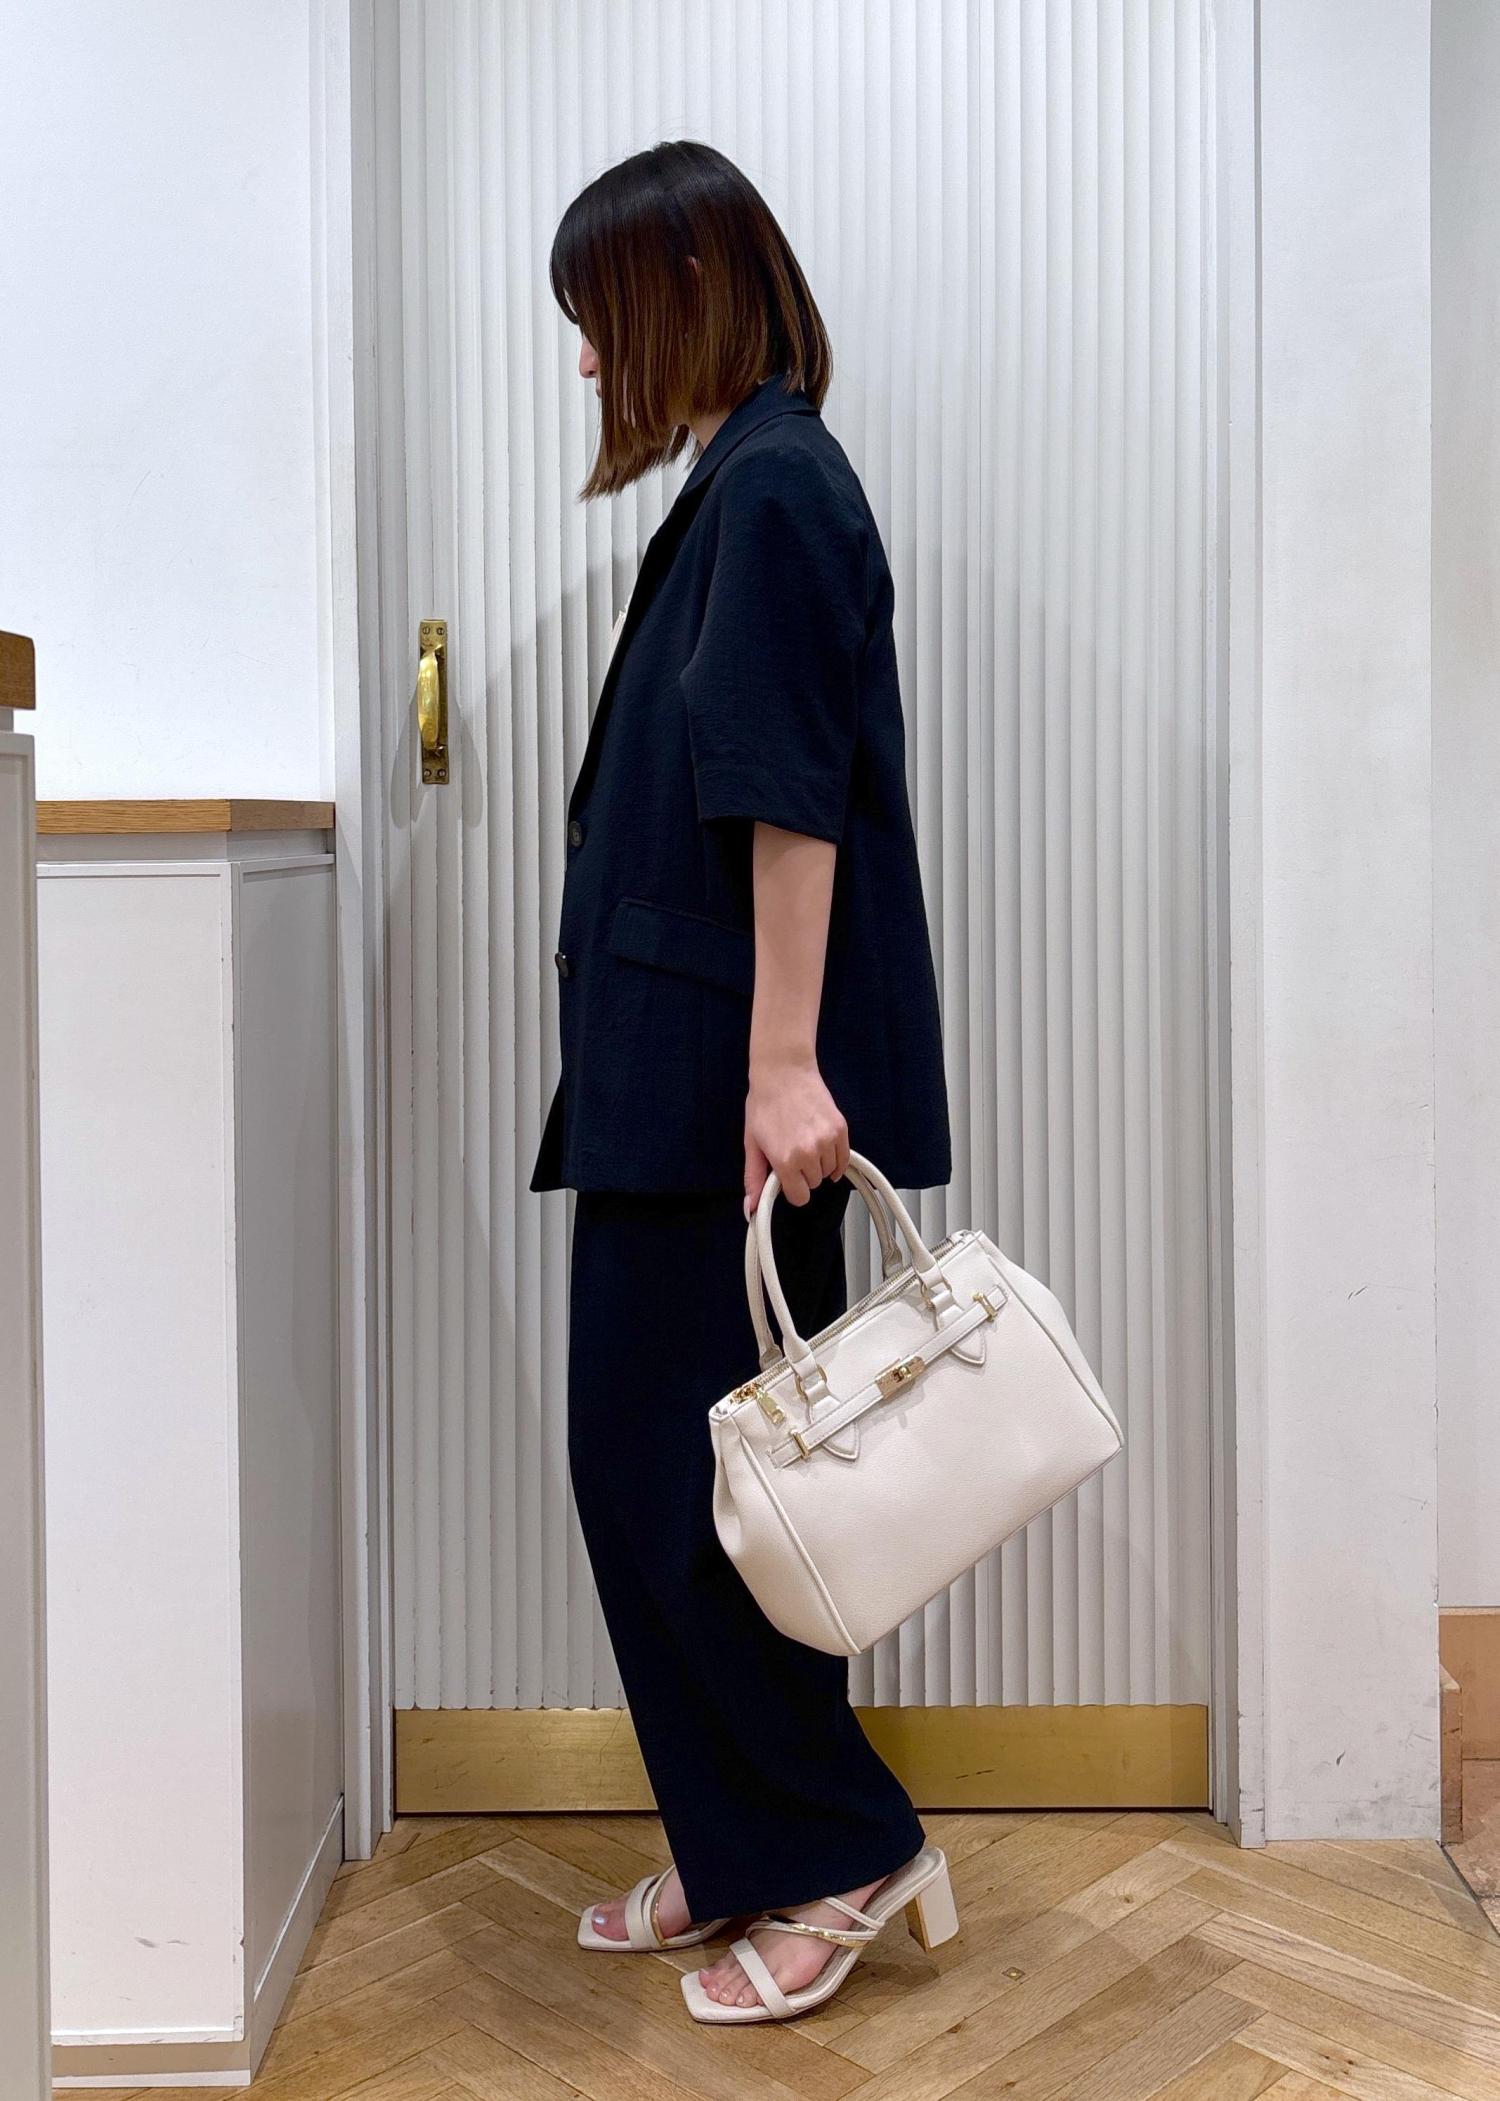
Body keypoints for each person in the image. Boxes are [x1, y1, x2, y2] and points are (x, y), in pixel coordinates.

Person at [530, 139, 956, 2022]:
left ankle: (838, 1843)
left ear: (693, 281)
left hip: (726, 1080)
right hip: (680, 1063)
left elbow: (789, 792)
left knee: (699, 1488)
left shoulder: (777, 484)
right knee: (666, 1477)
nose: (588, 360)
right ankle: (741, 1840)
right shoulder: (743, 479)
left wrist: (784, 1064)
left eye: (599, 317)